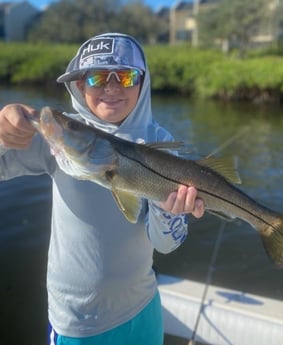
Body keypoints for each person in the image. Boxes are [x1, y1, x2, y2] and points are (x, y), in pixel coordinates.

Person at [0, 33, 205, 345]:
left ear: (142, 82)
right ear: (81, 86)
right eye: (97, 76)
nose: (111, 87)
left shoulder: (159, 143)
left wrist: (168, 211)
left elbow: (165, 245)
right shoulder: (60, 135)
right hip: (77, 323)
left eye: (124, 76)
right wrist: (3, 134)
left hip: (143, 308)